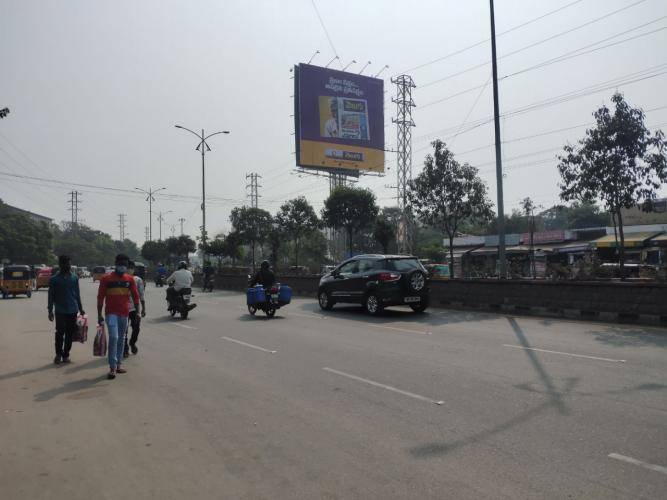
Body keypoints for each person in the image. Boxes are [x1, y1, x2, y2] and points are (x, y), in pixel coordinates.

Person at [97, 254, 139, 380]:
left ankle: (119, 364)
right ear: (116, 264)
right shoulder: (106, 279)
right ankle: (112, 367)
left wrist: (137, 312)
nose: (123, 266)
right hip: (111, 313)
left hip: (124, 313)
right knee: (114, 338)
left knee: (122, 338)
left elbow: (135, 297)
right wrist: (99, 314)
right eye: (121, 264)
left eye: (125, 264)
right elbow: (100, 297)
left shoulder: (129, 279)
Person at [47, 255, 85, 364]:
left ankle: (66, 355)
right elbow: (51, 296)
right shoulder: (54, 279)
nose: (67, 266)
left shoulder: (74, 278)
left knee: (69, 333)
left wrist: (81, 309)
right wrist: (50, 311)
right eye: (65, 263)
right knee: (59, 332)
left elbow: (77, 294)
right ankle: (58, 354)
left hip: (73, 310)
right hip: (60, 310)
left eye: (69, 263)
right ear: (60, 265)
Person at [124, 261, 146, 357]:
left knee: (136, 328)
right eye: (128, 267)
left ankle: (132, 343)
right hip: (123, 309)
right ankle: (124, 348)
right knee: (123, 330)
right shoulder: (120, 280)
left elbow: (141, 295)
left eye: (131, 267)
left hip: (134, 308)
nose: (130, 269)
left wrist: (143, 308)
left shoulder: (137, 280)